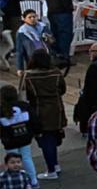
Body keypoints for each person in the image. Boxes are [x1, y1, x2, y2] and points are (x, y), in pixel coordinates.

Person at [22, 49, 66, 179]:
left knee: (45, 140)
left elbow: (25, 95)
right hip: (57, 108)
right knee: (54, 136)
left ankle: (51, 170)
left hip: (39, 110)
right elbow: (63, 90)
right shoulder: (56, 73)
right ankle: (55, 164)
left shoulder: (28, 76)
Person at [0, 86, 38, 189]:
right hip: (25, 137)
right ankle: (33, 180)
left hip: (10, 140)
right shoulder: (24, 106)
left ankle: (15, 181)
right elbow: (34, 120)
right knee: (26, 158)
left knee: (12, 160)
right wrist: (35, 132)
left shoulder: (2, 110)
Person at [15, 9, 50, 74]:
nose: (32, 19)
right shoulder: (22, 32)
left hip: (46, 57)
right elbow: (19, 51)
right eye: (30, 17)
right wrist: (19, 68)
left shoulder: (43, 27)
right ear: (24, 19)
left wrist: (48, 37)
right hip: (32, 60)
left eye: (34, 17)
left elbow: (52, 41)